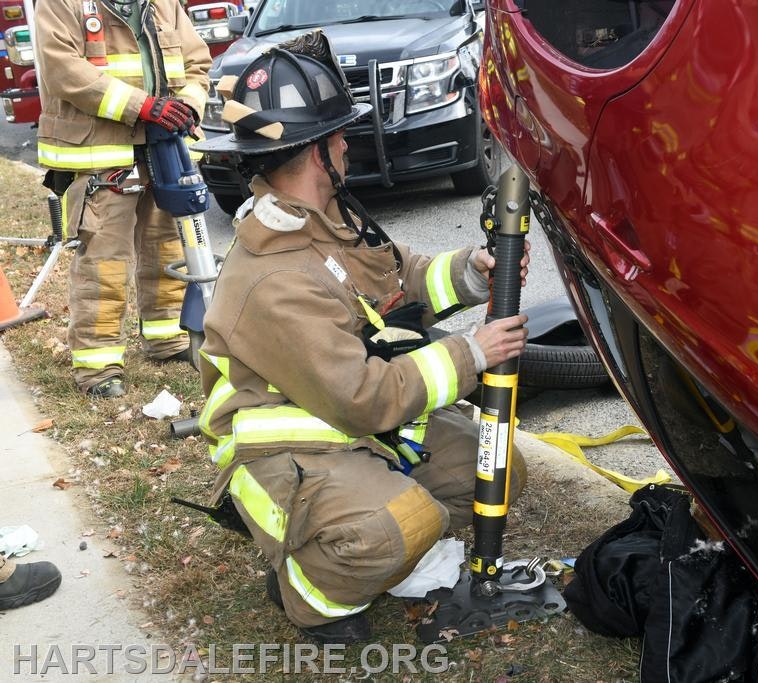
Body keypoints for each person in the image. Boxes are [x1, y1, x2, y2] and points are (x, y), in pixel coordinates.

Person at [189, 30, 530, 644]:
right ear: (318, 151)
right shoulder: (271, 277)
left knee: (499, 467)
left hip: (359, 428)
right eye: (339, 134)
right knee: (399, 523)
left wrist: (473, 272)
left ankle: (385, 537)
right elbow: (362, 397)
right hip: (292, 449)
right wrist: (473, 353)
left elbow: (400, 278)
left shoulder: (328, 226)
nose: (348, 142)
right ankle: (308, 590)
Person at [35, 0, 212, 398]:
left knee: (166, 248)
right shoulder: (63, 3)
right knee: (104, 262)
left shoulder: (163, 3)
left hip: (164, 149)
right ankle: (98, 367)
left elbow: (198, 63)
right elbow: (64, 70)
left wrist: (186, 108)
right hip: (101, 155)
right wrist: (143, 107)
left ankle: (168, 340)